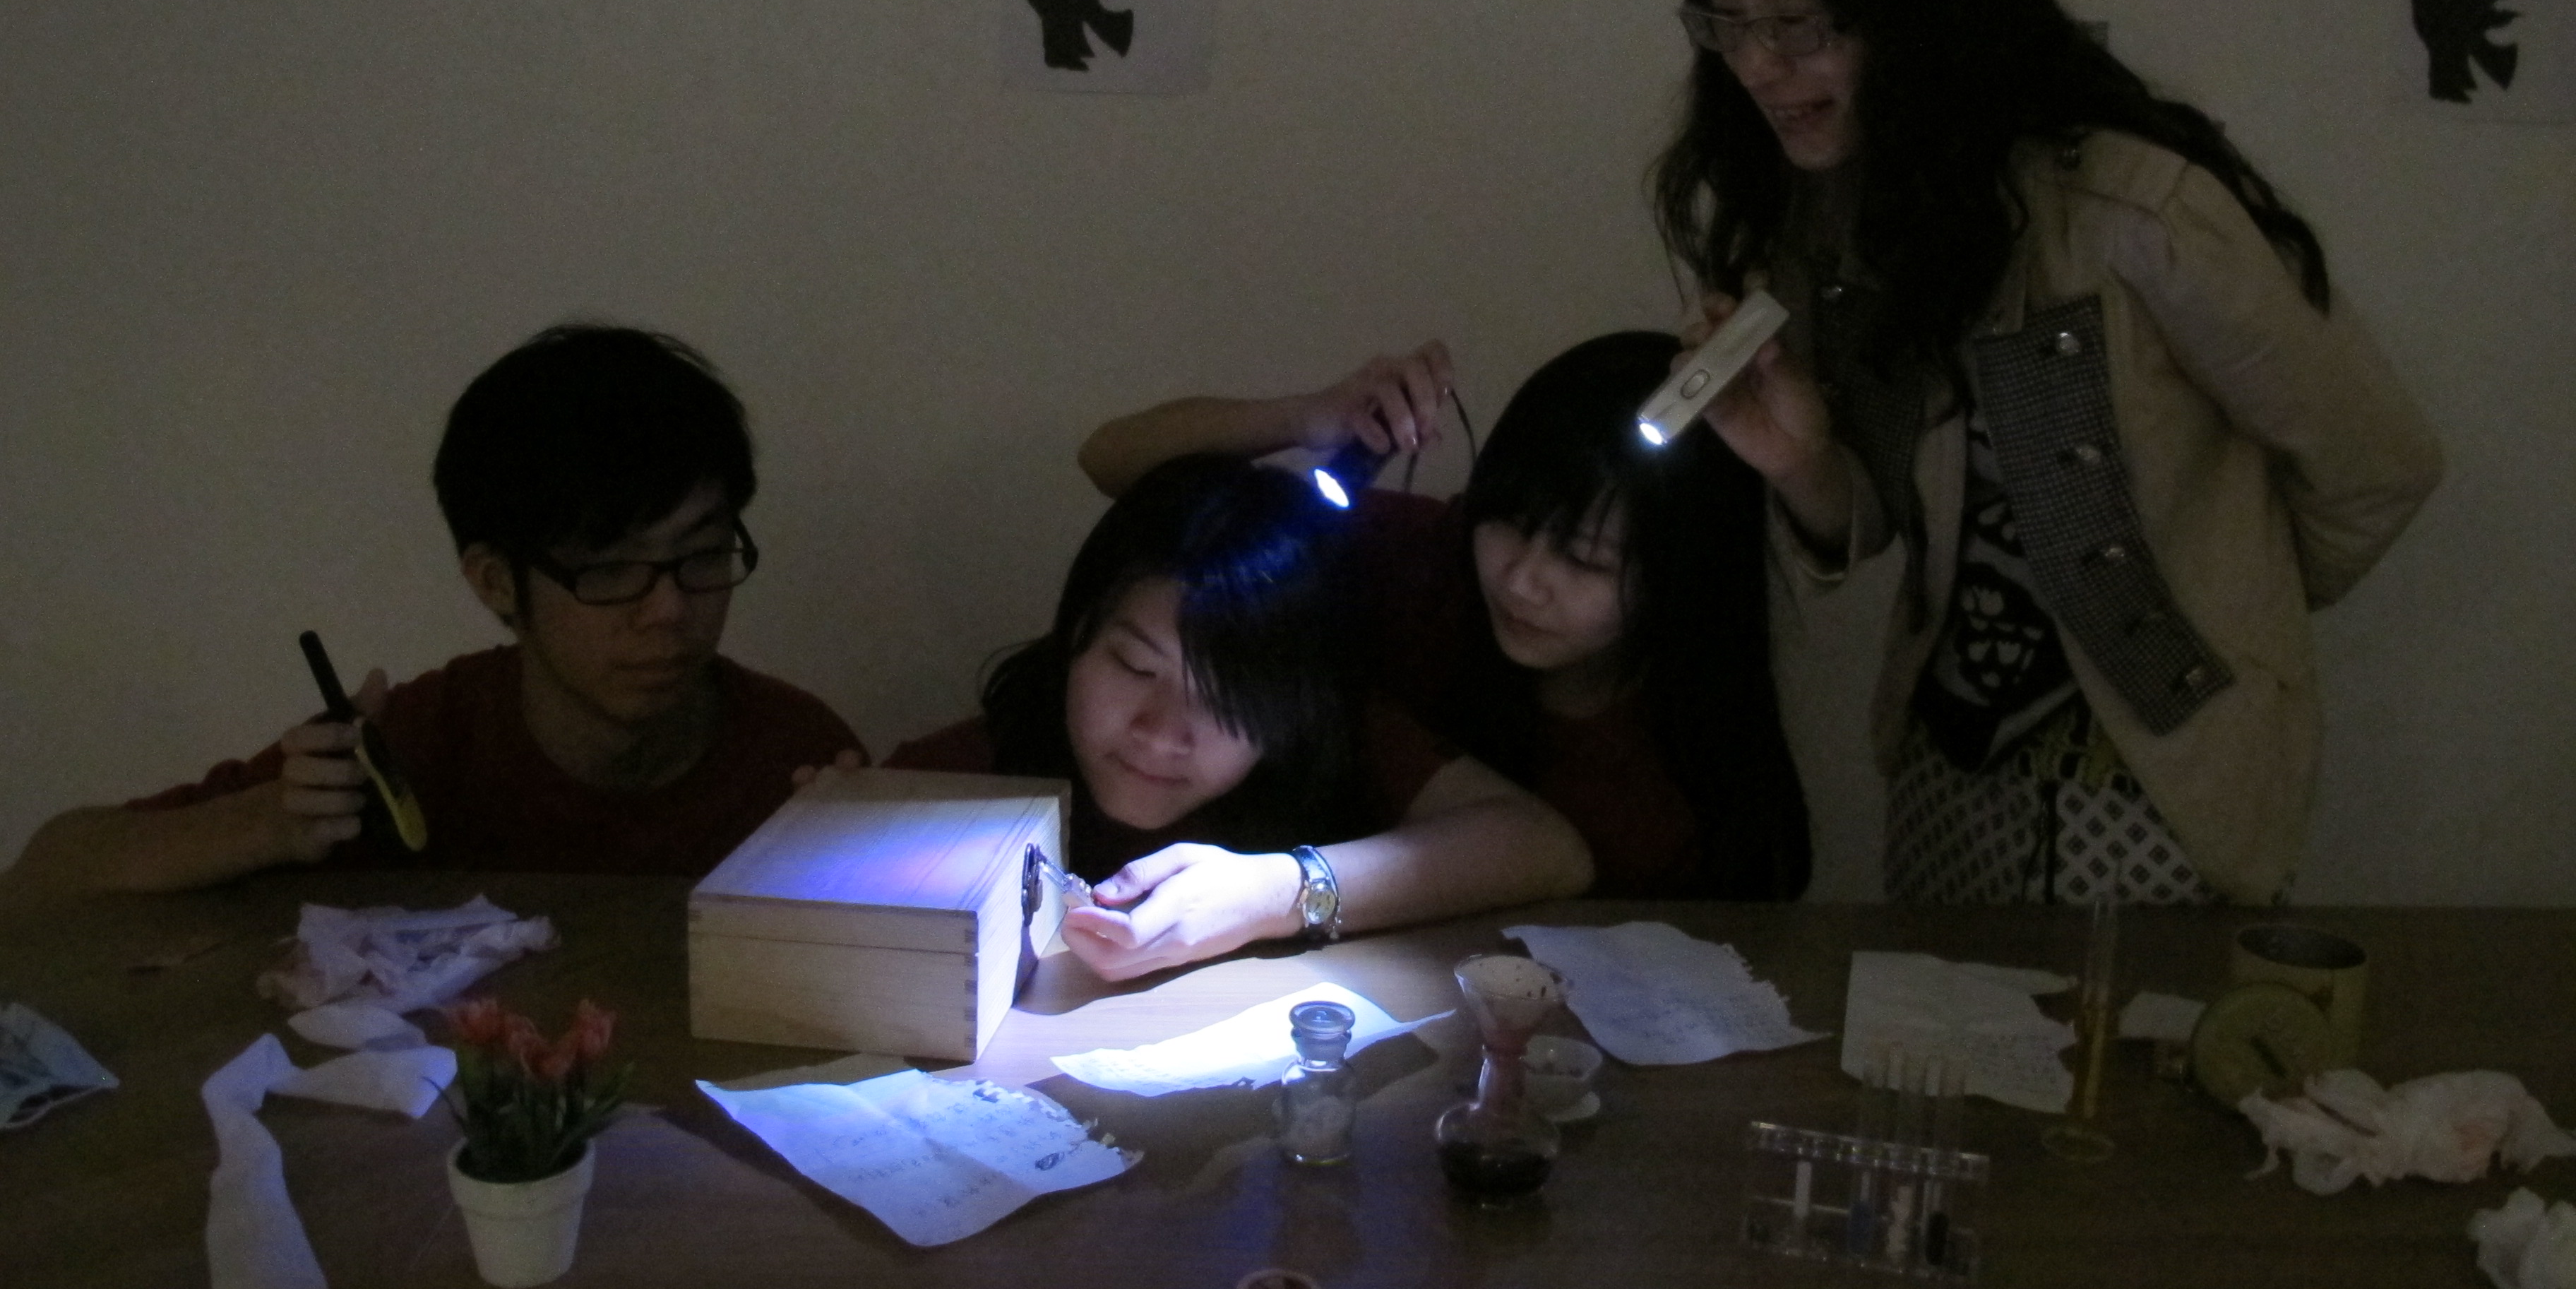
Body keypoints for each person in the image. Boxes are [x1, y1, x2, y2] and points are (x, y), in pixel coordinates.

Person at [1650, 0, 2443, 905]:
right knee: (1922, 1021)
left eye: (1800, 20)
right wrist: (1798, 460)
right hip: (1944, 778)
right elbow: (1873, 513)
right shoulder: (1833, 214)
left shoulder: (2137, 212)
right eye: (1727, 19)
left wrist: (2226, 609)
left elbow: (2379, 465)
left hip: (2160, 804)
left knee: (2126, 1033)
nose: (1759, 66)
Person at [6, 325, 865, 894]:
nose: (670, 609)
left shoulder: (794, 757)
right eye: (610, 570)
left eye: (703, 555)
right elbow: (48, 872)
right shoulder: (423, 745)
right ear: (494, 581)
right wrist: (269, 822)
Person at [1076, 335, 1813, 901]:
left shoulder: (1688, 773)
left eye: (1584, 560)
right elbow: (1115, 464)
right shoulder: (1419, 563)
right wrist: (1306, 416)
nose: (1522, 580)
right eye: (1508, 520)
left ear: (1679, 578)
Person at [886, 454, 1593, 980]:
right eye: (1135, 666)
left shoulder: (1333, 737)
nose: (1163, 730)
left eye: (1230, 697)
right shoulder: (976, 767)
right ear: (1073, 636)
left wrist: (1272, 893)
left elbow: (1549, 849)